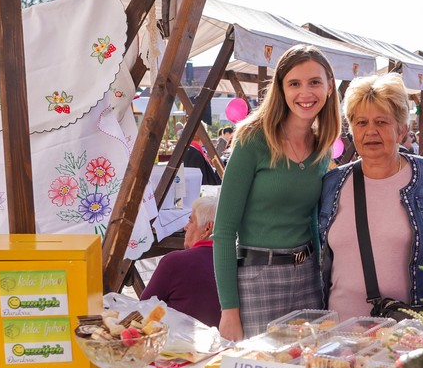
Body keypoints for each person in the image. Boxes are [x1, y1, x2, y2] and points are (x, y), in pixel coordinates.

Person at [212, 44, 341, 341]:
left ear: (329, 87)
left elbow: (311, 219)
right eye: (294, 83)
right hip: (259, 279)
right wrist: (228, 310)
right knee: (261, 367)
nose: (305, 93)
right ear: (281, 89)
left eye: (314, 82)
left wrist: (320, 279)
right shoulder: (252, 139)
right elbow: (224, 231)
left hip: (308, 277)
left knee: (309, 365)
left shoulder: (321, 147)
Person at [319, 73, 423, 319]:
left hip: (410, 330)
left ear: (401, 130)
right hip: (340, 329)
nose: (370, 131)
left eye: (381, 122)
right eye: (361, 123)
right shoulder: (332, 183)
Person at [140, 196, 222, 327]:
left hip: (177, 339)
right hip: (222, 338)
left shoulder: (175, 262)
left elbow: (143, 309)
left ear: (207, 228)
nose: (186, 227)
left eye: (191, 221)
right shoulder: (236, 263)